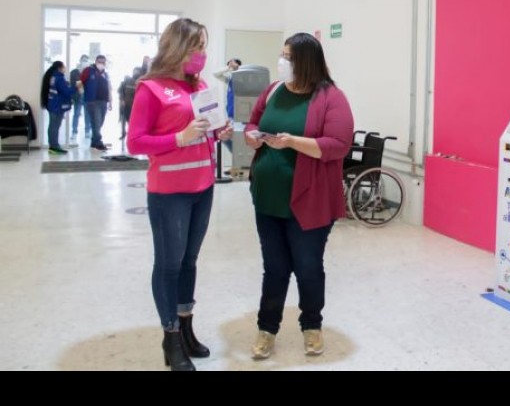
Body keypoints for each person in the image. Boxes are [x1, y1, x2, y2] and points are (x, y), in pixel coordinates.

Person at [127, 18, 233, 372]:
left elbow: (205, 129)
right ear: (178, 47)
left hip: (202, 187)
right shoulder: (151, 89)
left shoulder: (198, 85)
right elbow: (135, 142)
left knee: (189, 261)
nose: (202, 53)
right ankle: (170, 337)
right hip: (169, 193)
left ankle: (186, 327)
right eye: (197, 46)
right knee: (169, 264)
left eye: (204, 46)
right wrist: (179, 138)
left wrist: (218, 133)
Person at [245, 33, 354, 361]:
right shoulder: (273, 90)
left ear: (306, 62)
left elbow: (338, 145)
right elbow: (254, 122)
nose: (282, 62)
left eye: (289, 57)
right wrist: (252, 137)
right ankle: (267, 329)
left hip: (310, 200)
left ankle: (311, 325)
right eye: (282, 55)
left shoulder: (331, 98)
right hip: (268, 198)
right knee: (274, 268)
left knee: (307, 267)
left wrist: (292, 141)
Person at [41, 61, 77, 155]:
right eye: (64, 67)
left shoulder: (52, 77)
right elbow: (67, 92)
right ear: (59, 68)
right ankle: (54, 147)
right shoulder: (59, 78)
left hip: (52, 104)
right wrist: (76, 88)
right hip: (57, 106)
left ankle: (53, 146)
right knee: (55, 127)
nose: (65, 68)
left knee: (52, 126)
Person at [80, 55, 113, 152]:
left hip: (103, 101)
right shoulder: (88, 71)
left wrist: (110, 101)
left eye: (103, 62)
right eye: (99, 61)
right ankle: (98, 142)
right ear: (95, 61)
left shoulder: (105, 74)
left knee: (99, 122)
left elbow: (109, 88)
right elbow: (80, 82)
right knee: (97, 121)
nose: (101, 64)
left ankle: (94, 142)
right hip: (92, 101)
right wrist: (82, 94)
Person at [69, 55, 90, 141]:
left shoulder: (89, 72)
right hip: (77, 97)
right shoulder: (74, 72)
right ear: (80, 61)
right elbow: (73, 83)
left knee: (87, 115)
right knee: (76, 114)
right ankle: (74, 132)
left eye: (86, 60)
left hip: (87, 97)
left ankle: (87, 131)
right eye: (83, 60)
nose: (84, 62)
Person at [118, 68, 140, 140]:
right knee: (123, 120)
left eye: (137, 72)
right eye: (134, 71)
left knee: (131, 121)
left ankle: (132, 134)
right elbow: (120, 91)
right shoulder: (127, 81)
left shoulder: (140, 83)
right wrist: (122, 99)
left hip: (134, 106)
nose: (135, 73)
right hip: (125, 105)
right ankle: (123, 133)